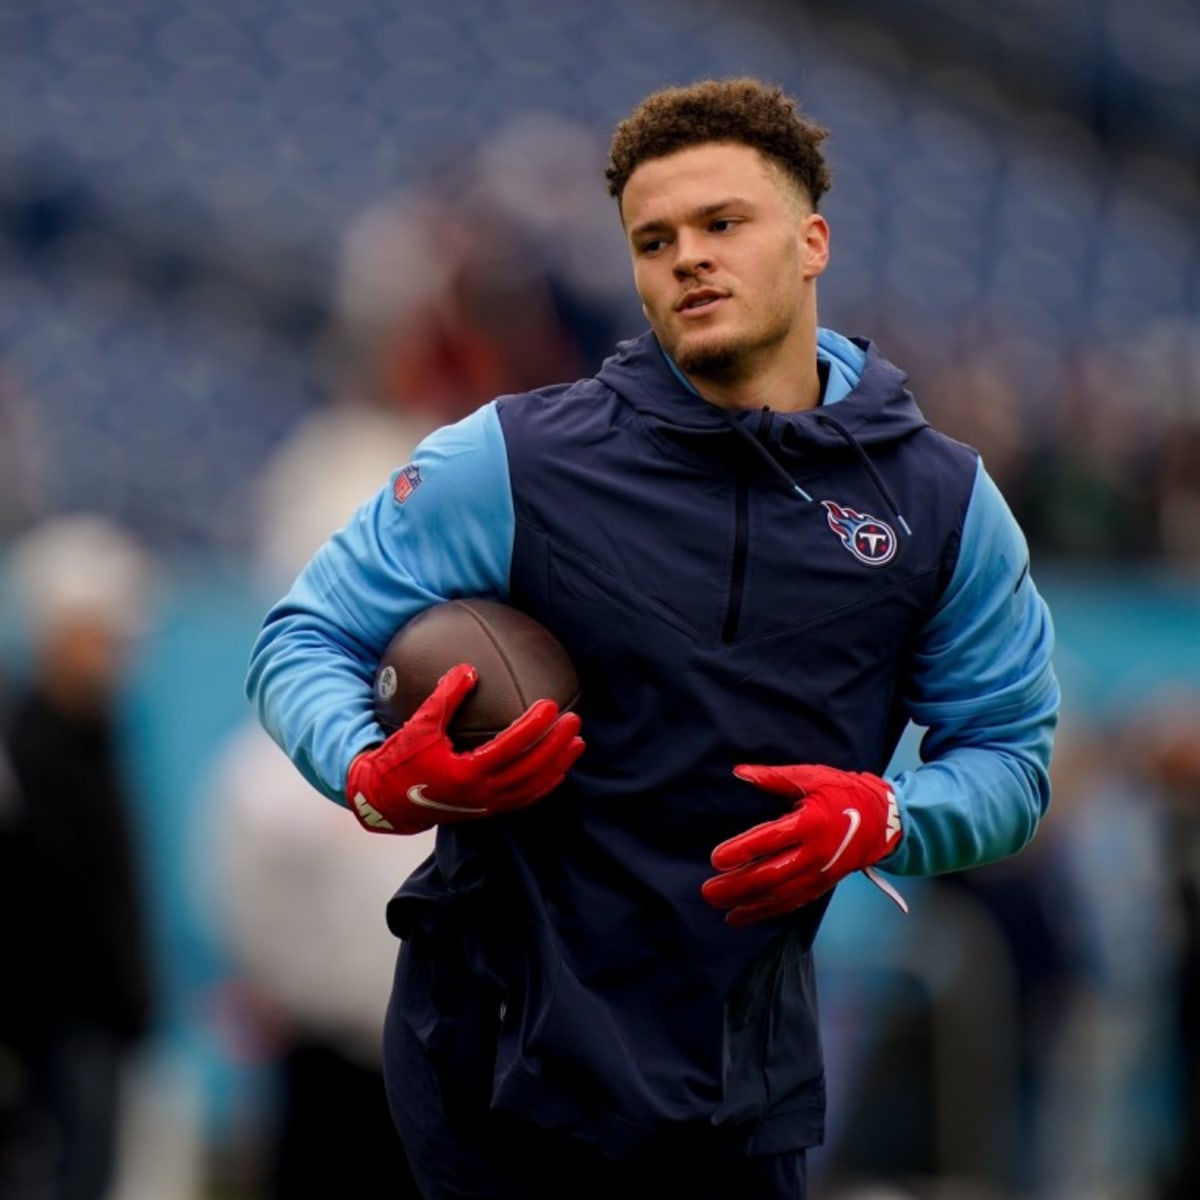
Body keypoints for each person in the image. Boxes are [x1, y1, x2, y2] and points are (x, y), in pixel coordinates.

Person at [245, 78, 1060, 1199]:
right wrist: (370, 771)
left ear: (811, 239)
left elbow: (1013, 759)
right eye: (654, 238)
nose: (688, 258)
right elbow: (305, 635)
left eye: (724, 223)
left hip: (739, 1078)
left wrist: (888, 817)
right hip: (490, 1052)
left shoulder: (944, 504)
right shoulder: (516, 458)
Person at [0, 514, 157, 1200]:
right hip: (50, 1029)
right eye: (99, 640)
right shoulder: (29, 748)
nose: (113, 660)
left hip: (94, 1020)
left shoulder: (99, 739)